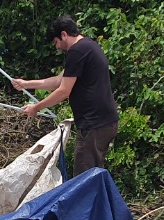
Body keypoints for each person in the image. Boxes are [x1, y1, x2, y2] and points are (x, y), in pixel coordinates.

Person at [11, 15, 120, 175]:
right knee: (93, 176)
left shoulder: (77, 51)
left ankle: (92, 201)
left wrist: (36, 108)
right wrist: (27, 84)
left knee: (83, 179)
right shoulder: (87, 46)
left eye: (56, 42)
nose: (57, 47)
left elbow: (63, 91)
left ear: (63, 34)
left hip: (94, 124)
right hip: (102, 123)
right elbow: (58, 81)